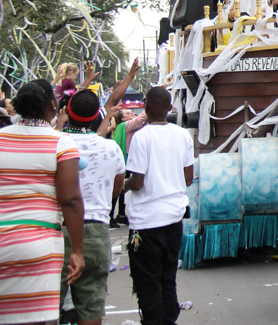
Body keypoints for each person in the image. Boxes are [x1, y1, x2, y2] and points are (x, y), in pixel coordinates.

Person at [0, 80, 85, 325]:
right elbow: (69, 200)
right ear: (52, 104)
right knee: (36, 319)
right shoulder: (61, 143)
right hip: (40, 245)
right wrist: (77, 251)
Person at [124, 87, 195, 325]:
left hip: (146, 222)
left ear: (145, 108)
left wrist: (122, 184)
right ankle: (169, 320)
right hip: (174, 219)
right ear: (170, 108)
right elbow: (187, 178)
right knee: (167, 278)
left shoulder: (141, 137)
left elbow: (137, 182)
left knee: (148, 282)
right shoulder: (183, 135)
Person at [59, 89, 126, 325]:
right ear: (96, 114)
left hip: (59, 230)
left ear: (68, 112)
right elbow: (116, 191)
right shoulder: (111, 148)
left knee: (49, 308)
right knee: (91, 307)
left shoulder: (56, 143)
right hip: (96, 229)